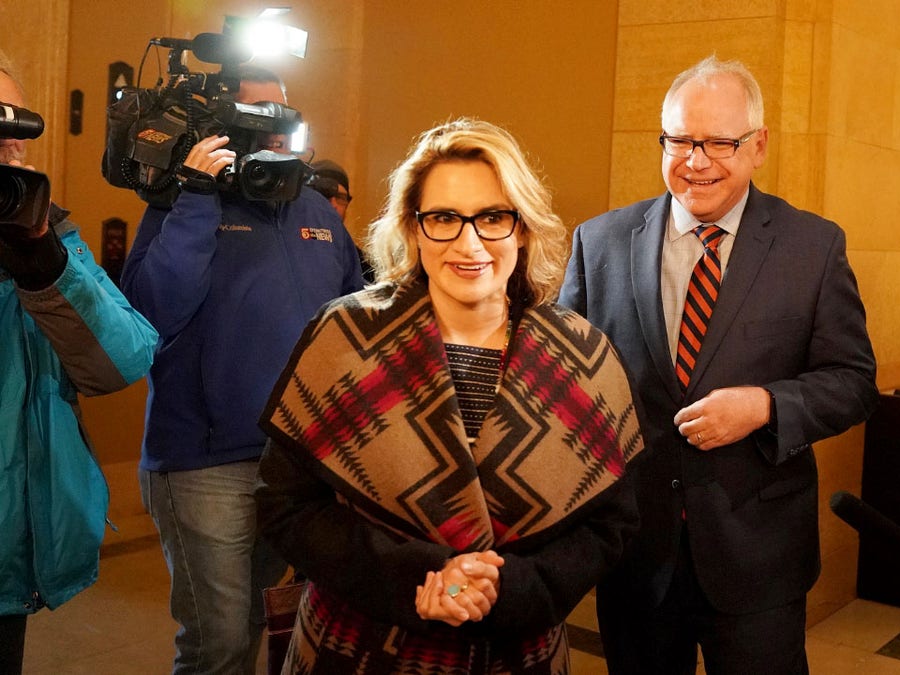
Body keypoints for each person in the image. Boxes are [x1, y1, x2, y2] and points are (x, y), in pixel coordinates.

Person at [255, 118, 644, 673]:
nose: (469, 243)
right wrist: (420, 576)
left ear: (523, 229)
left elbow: (610, 524)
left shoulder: (583, 357)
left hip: (519, 652)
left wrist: (516, 588)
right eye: (443, 218)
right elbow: (286, 505)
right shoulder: (345, 337)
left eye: (493, 218)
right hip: (358, 648)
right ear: (413, 228)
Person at [559, 56, 878, 674]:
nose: (696, 161)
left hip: (758, 558)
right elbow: (563, 381)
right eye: (680, 140)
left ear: (758, 146)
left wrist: (766, 406)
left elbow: (853, 382)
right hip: (635, 553)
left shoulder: (812, 247)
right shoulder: (598, 242)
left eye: (719, 143)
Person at [120, 65, 364, 675]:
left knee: (259, 622)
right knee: (219, 644)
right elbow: (152, 315)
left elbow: (353, 322)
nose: (276, 128)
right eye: (258, 114)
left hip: (295, 460)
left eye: (283, 112)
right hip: (204, 464)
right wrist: (197, 196)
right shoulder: (180, 202)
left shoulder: (315, 209)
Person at [0, 51, 158, 674]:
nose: (8, 146)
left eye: (15, 127)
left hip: (10, 556)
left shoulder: (46, 234)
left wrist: (44, 266)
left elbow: (124, 359)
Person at [307, 158, 374, 281]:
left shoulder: (361, 264)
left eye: (340, 198)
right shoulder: (287, 247)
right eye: (325, 195)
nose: (333, 205)